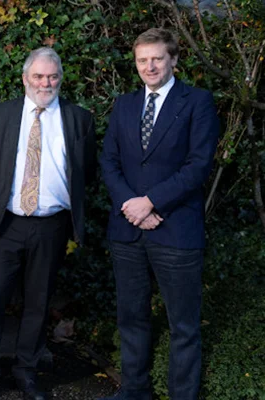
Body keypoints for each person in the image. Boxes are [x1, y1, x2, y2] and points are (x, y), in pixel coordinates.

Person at [99, 28, 219, 400]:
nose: (149, 66)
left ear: (173, 60)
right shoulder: (125, 105)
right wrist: (132, 208)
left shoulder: (197, 102)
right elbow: (109, 161)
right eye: (142, 60)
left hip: (176, 229)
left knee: (183, 325)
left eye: (157, 58)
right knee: (131, 318)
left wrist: (150, 202)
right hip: (128, 230)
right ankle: (135, 390)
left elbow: (198, 166)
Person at [0, 47, 97, 400]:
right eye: (39, 76)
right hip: (5, 224)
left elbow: (86, 173)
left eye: (52, 76)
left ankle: (26, 371)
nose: (46, 83)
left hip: (51, 226)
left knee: (38, 303)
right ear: (25, 78)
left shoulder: (79, 119)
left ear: (60, 79)